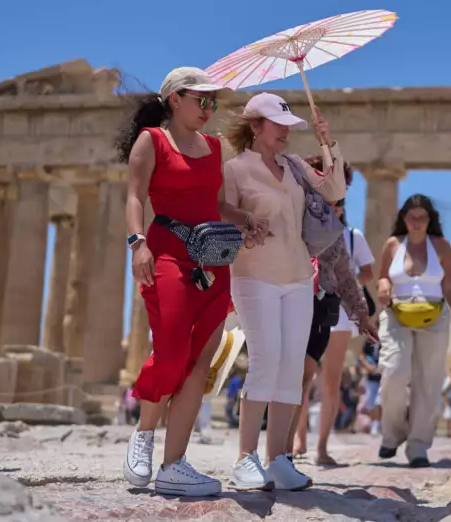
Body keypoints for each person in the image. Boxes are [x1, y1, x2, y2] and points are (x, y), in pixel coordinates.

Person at [117, 67, 261, 497]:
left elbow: (217, 205)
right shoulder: (152, 141)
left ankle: (174, 465)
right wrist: (137, 243)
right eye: (202, 100)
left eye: (213, 101)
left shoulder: (214, 147)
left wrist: (247, 219)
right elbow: (134, 197)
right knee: (173, 351)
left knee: (201, 362)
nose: (209, 108)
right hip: (167, 253)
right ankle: (144, 433)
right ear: (175, 99)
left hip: (213, 261)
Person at [223, 92, 346, 491]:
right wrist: (246, 220)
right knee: (266, 359)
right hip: (253, 274)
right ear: (255, 126)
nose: (286, 132)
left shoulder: (293, 166)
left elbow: (334, 192)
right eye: (278, 125)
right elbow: (221, 210)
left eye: (289, 126)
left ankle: (278, 459)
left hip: (298, 276)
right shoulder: (235, 169)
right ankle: (245, 458)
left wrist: (328, 144)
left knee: (292, 366)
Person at [289, 158, 378, 465]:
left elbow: (346, 274)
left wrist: (361, 313)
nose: (335, 203)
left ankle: (300, 448)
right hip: (288, 299)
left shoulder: (340, 233)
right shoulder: (289, 215)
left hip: (326, 306)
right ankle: (286, 445)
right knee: (292, 376)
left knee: (312, 376)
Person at [374, 194, 451, 467]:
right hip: (396, 314)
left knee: (429, 381)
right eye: (411, 217)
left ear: (430, 220)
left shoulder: (442, 246)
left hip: (435, 317)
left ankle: (418, 445)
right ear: (403, 219)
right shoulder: (393, 244)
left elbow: (450, 287)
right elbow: (382, 276)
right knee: (393, 372)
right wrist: (383, 285)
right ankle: (392, 434)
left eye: (422, 217)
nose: (416, 222)